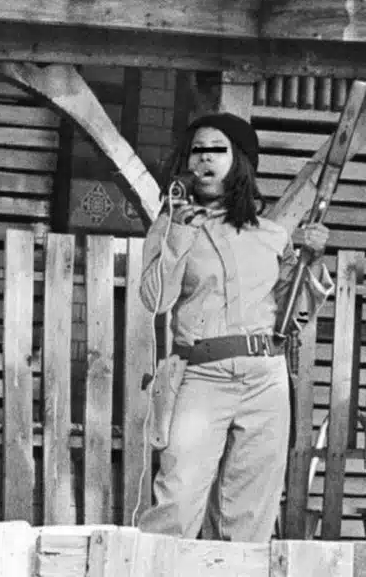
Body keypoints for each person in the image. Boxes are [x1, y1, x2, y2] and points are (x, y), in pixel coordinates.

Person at [135, 112, 332, 542]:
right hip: (201, 376)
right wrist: (178, 232)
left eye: (216, 150)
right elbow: (155, 300)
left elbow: (293, 314)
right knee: (177, 502)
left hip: (266, 379)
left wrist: (312, 260)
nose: (204, 159)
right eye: (196, 151)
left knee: (249, 515)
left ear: (240, 161)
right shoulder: (170, 227)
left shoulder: (271, 234)